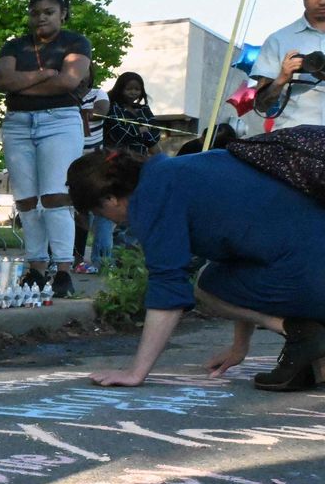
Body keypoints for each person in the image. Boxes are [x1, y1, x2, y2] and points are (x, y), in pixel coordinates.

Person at [69, 149, 325, 391]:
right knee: (215, 276)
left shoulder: (152, 197)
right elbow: (241, 262)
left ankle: (300, 332)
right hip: (310, 256)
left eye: (98, 213)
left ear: (110, 199)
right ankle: (312, 351)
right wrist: (239, 347)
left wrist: (136, 372)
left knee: (205, 285)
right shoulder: (180, 169)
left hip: (312, 270)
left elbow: (168, 287)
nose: (107, 220)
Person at [0, 0, 91, 297]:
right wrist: (44, 75)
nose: (40, 19)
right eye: (34, 13)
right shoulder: (14, 46)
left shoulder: (76, 42)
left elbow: (69, 81)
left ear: (63, 13)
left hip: (60, 122)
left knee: (55, 196)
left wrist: (23, 86)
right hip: (18, 123)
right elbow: (2, 80)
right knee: (25, 198)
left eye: (48, 12)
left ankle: (63, 269)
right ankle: (35, 266)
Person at [249, 0, 325, 131]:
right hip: (295, 139)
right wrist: (282, 78)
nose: (322, 1)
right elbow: (261, 106)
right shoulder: (279, 40)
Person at [71, 81, 113, 273]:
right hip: (69, 157)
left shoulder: (98, 94)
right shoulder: (64, 92)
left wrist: (81, 112)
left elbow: (101, 112)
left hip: (94, 161)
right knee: (76, 210)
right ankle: (73, 256)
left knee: (99, 209)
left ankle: (101, 260)